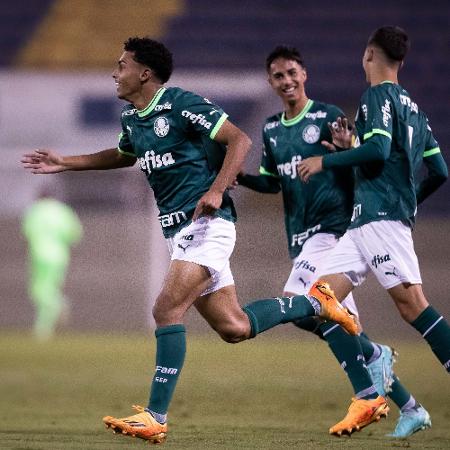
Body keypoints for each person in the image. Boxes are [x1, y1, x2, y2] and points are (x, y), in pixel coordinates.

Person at [22, 36, 358, 443]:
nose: (115, 72)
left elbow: (240, 140)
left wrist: (216, 189)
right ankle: (316, 302)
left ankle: (156, 416)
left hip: (208, 225)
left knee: (165, 308)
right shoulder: (133, 119)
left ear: (144, 73)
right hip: (176, 233)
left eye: (121, 64)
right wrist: (66, 162)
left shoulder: (181, 102)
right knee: (234, 327)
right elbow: (124, 154)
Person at [237, 45, 431, 438]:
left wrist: (345, 150)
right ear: (270, 82)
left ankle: (365, 392)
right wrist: (235, 178)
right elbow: (272, 183)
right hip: (302, 236)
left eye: (292, 72)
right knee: (334, 320)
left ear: (304, 74)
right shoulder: (272, 129)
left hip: (335, 230)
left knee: (304, 298)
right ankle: (409, 404)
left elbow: (365, 164)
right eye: (278, 76)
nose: (287, 80)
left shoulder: (329, 117)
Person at [298, 26, 449, 436]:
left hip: (381, 219)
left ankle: (385, 374)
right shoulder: (414, 109)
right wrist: (407, 194)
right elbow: (439, 169)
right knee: (319, 299)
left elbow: (380, 150)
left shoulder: (378, 96)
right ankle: (376, 358)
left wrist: (326, 163)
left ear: (368, 55)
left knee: (413, 307)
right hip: (365, 221)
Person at [22, 186, 83, 340]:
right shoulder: (63, 211)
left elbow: (27, 232)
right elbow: (75, 235)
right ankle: (42, 329)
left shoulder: (34, 210)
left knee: (39, 290)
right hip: (60, 256)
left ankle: (58, 304)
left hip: (39, 254)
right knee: (50, 288)